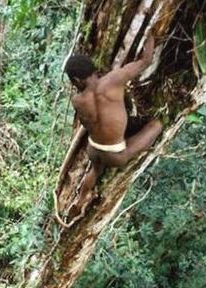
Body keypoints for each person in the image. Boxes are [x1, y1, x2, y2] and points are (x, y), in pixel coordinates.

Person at [64, 35, 163, 207]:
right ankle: (84, 195)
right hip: (115, 155)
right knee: (157, 125)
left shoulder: (77, 101)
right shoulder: (114, 79)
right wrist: (151, 36)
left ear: (77, 80)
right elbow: (145, 61)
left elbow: (89, 124)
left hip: (93, 148)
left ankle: (82, 197)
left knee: (96, 169)